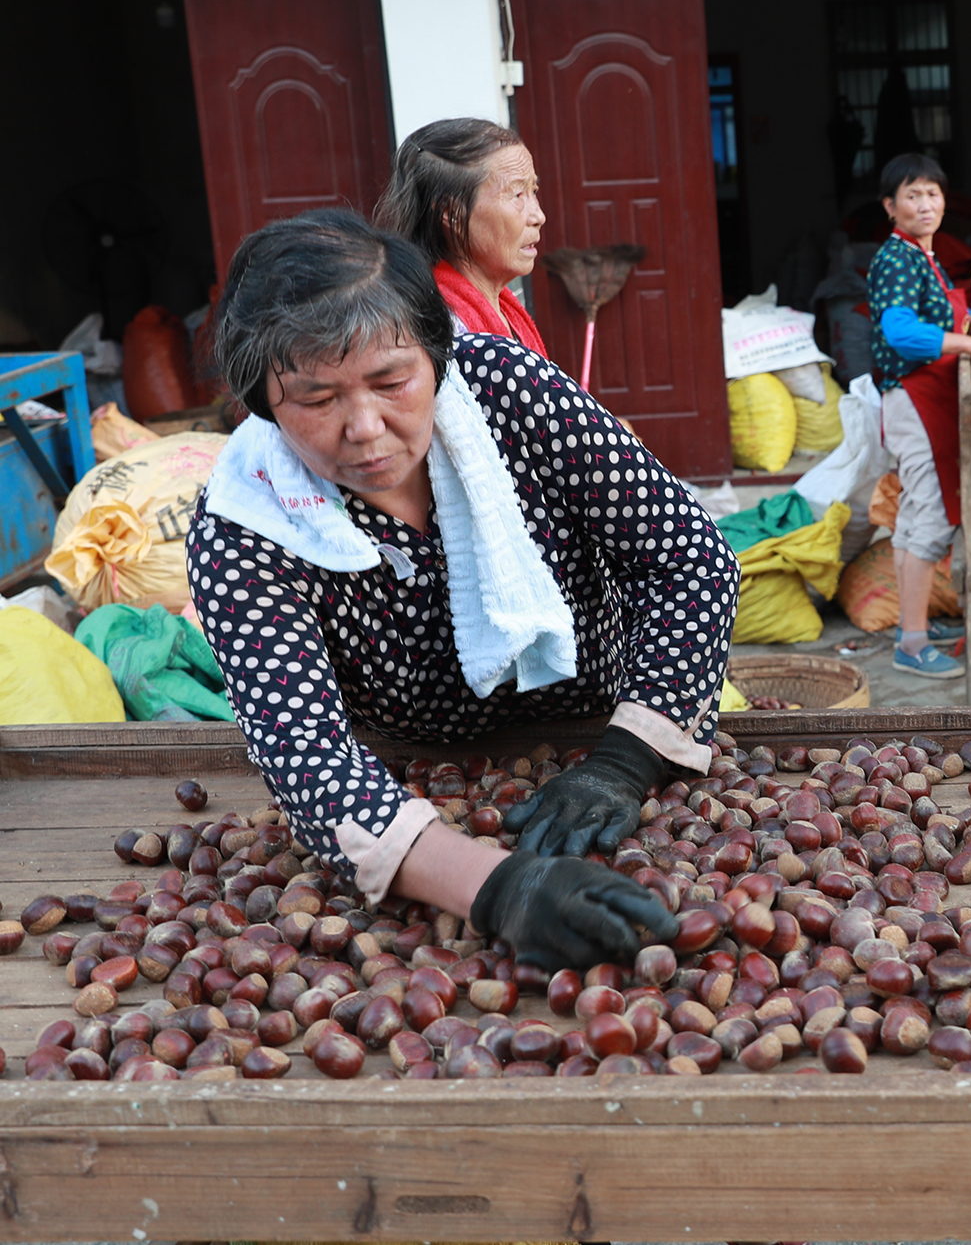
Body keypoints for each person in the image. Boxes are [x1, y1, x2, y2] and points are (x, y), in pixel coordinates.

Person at [189, 208, 740, 970]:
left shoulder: (513, 395)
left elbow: (689, 557)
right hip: (401, 783)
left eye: (392, 380)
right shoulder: (244, 524)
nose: (367, 428)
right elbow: (305, 754)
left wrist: (625, 761)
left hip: (600, 740)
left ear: (437, 356)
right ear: (262, 402)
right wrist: (498, 887)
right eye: (317, 400)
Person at [869, 152, 971, 679]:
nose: (925, 204)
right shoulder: (896, 259)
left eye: (932, 193)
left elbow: (938, 311)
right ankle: (911, 645)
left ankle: (910, 625)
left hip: (929, 397)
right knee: (929, 519)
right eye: (912, 195)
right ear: (891, 207)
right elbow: (900, 332)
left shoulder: (921, 255)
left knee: (915, 518)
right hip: (916, 398)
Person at [375, 117, 550, 358]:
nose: (538, 216)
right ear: (452, 213)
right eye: (518, 194)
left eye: (534, 191)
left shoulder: (505, 309)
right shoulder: (440, 328)